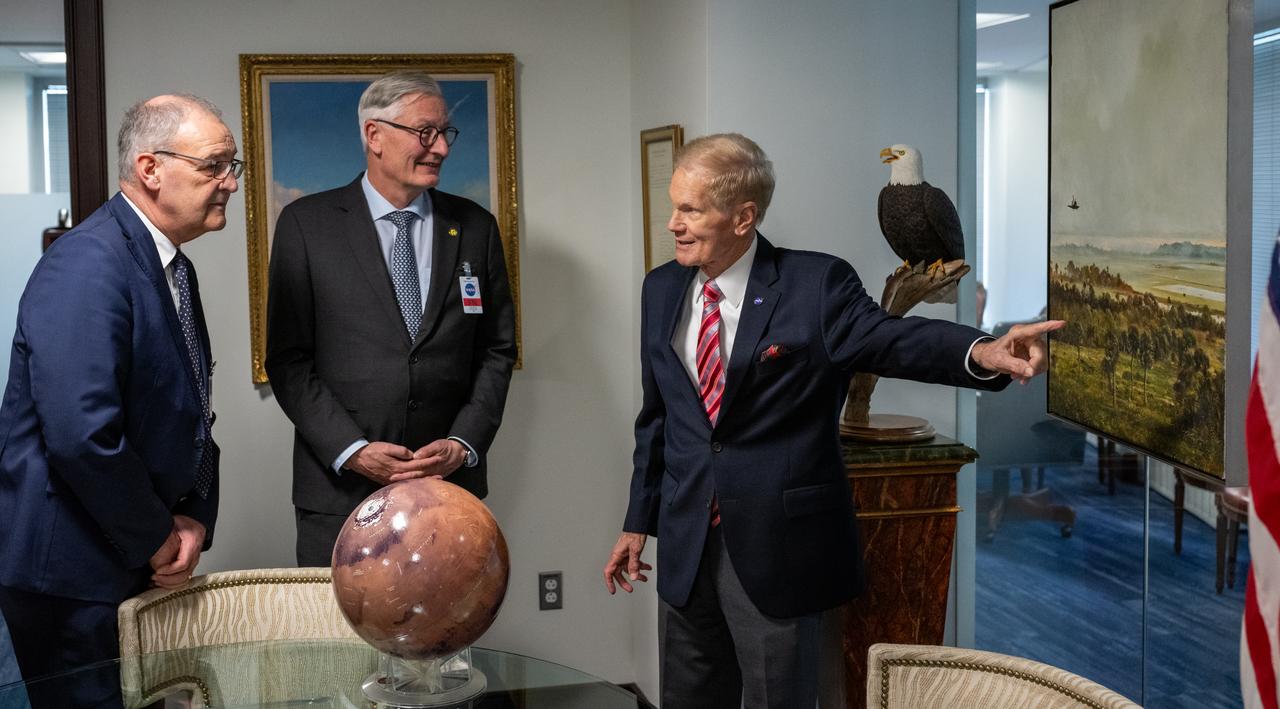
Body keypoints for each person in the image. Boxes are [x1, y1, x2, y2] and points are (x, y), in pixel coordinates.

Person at [602, 133, 1061, 708]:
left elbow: (893, 340)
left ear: (744, 217)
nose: (673, 223)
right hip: (686, 544)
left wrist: (984, 353)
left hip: (780, 551)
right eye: (675, 206)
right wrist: (636, 522)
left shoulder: (815, 285)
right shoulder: (661, 287)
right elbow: (659, 418)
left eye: (690, 210)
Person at [0, 93, 236, 707]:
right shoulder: (87, 263)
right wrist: (159, 537)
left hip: (127, 557)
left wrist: (193, 519)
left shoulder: (169, 266)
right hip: (72, 579)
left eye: (231, 166)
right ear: (151, 169)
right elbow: (83, 435)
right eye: (213, 166)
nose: (229, 183)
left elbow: (188, 411)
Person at [266, 72, 517, 567]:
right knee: (337, 640)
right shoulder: (307, 225)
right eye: (425, 133)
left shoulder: (474, 228)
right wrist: (353, 449)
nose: (441, 147)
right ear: (374, 135)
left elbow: (496, 349)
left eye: (446, 133)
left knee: (441, 638)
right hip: (339, 493)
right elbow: (289, 360)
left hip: (446, 490)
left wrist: (462, 442)